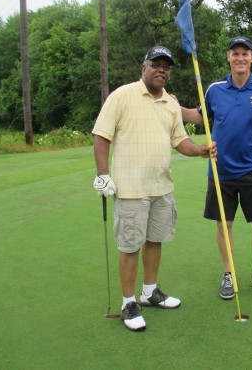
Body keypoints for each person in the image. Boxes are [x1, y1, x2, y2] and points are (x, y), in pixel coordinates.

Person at [92, 45, 216, 332]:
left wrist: (199, 150)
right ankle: (128, 303)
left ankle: (150, 292)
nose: (161, 69)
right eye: (155, 64)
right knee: (130, 246)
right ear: (144, 68)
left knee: (155, 240)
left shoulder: (171, 105)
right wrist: (102, 174)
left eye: (166, 66)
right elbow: (101, 135)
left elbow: (179, 140)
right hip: (131, 188)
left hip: (161, 187)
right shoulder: (122, 96)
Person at [181, 36, 252, 300]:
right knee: (224, 225)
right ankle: (228, 274)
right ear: (228, 57)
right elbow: (200, 115)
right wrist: (176, 108)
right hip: (220, 170)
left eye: (245, 53)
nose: (240, 57)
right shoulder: (215, 89)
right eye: (235, 53)